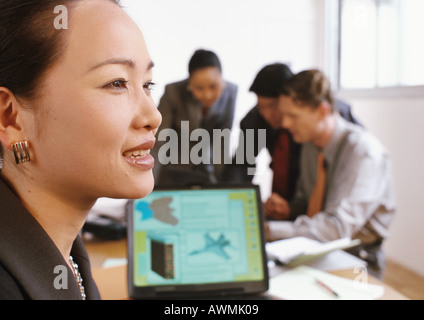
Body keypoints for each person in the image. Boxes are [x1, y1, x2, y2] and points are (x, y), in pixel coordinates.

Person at [0, 0, 161, 299]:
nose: (153, 116)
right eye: (117, 83)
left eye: (148, 84)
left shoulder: (66, 251)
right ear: (10, 117)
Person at [266, 69, 396, 279]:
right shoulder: (310, 146)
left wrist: (269, 230)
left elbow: (336, 229)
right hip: (314, 250)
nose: (285, 124)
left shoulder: (363, 153)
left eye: (293, 116)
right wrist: (287, 209)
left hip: (358, 260)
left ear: (322, 111)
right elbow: (305, 203)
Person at [223, 63, 362, 219]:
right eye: (261, 107)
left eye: (274, 106)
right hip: (291, 205)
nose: (268, 114)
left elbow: (359, 153)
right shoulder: (255, 120)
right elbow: (241, 167)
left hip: (327, 208)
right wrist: (231, 202)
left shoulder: (327, 118)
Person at [152, 49, 238, 186]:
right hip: (174, 170)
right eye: (199, 88)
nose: (207, 95)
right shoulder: (173, 92)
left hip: (207, 171)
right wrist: (147, 185)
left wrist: (220, 187)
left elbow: (222, 142)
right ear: (190, 83)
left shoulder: (231, 93)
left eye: (213, 86)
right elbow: (158, 141)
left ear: (222, 79)